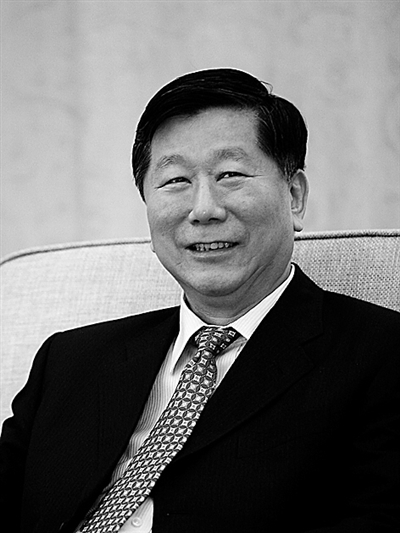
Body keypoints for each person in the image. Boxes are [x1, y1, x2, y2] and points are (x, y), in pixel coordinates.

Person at [1, 68, 399, 533]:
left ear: (294, 196)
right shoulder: (69, 360)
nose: (203, 209)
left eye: (230, 174)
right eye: (175, 181)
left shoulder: (380, 354)